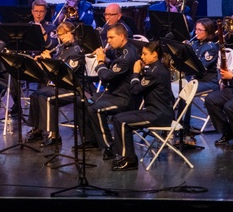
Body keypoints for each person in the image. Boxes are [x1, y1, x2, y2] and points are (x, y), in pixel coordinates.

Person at [110, 40, 175, 171]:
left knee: (122, 121)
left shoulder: (156, 72)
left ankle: (130, 160)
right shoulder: (156, 68)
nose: (142, 57)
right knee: (118, 118)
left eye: (145, 54)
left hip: (158, 115)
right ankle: (124, 155)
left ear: (155, 55)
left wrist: (135, 72)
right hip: (155, 111)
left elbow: (135, 90)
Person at [84, 24, 141, 160]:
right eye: (107, 38)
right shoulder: (120, 50)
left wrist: (100, 61)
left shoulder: (127, 56)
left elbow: (104, 77)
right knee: (84, 102)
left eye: (111, 37)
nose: (108, 41)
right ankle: (92, 141)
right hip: (114, 93)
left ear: (121, 36)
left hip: (125, 99)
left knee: (95, 109)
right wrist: (107, 60)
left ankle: (108, 146)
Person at [26, 21, 85, 146]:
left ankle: (54, 135)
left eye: (64, 34)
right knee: (35, 95)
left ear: (72, 33)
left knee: (47, 99)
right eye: (59, 35)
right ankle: (37, 129)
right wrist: (42, 62)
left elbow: (66, 71)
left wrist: (49, 60)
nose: (62, 38)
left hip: (73, 88)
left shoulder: (77, 50)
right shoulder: (61, 48)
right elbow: (52, 71)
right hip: (60, 86)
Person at [177, 17, 222, 146]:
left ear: (208, 32)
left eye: (200, 30)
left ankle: (184, 127)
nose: (196, 32)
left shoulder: (211, 47)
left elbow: (199, 68)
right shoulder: (195, 43)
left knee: (185, 91)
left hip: (209, 81)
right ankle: (174, 123)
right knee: (172, 88)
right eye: (195, 29)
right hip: (194, 80)